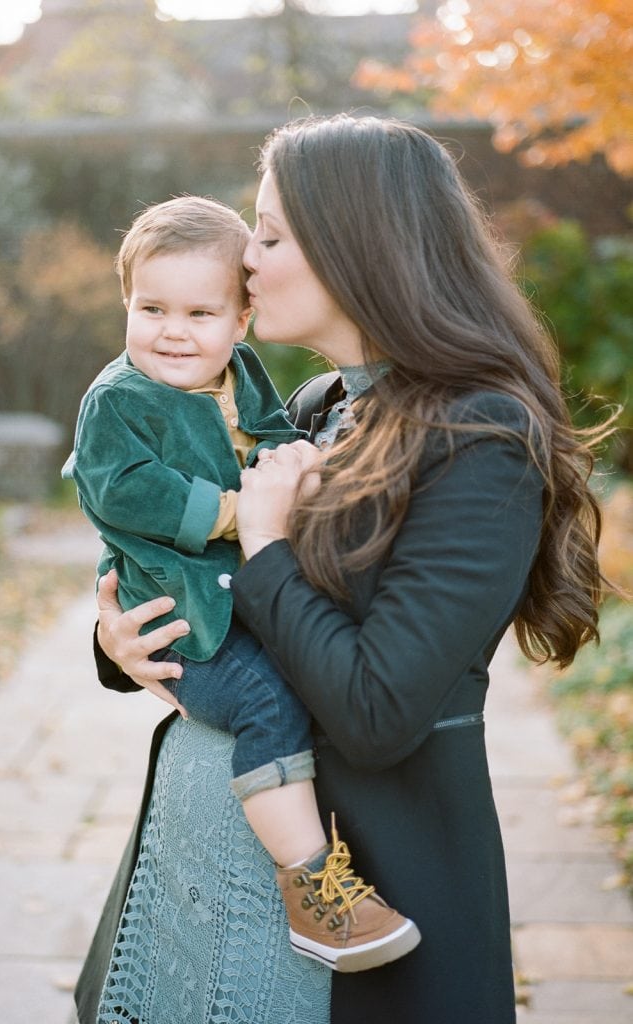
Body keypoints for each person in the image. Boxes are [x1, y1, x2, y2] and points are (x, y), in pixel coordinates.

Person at [74, 114, 609, 1024]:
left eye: (270, 236)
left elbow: (374, 710)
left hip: (363, 917)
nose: (244, 262)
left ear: (355, 249)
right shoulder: (316, 405)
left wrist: (269, 542)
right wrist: (120, 640)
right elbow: (198, 570)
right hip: (196, 891)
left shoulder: (479, 437)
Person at [64, 194, 418, 978]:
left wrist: (305, 468)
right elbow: (120, 490)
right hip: (187, 610)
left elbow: (273, 436)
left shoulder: (243, 374)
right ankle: (313, 889)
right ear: (124, 304)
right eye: (150, 307)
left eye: (199, 311)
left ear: (239, 323)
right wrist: (237, 511)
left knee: (291, 681)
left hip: (234, 601)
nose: (173, 330)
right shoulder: (118, 400)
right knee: (266, 702)